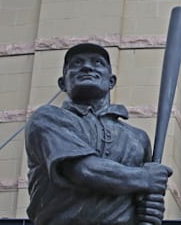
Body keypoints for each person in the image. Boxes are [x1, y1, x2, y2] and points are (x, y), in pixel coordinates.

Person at [25, 43, 173, 225]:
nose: (87, 67)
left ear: (111, 81)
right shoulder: (47, 119)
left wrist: (150, 208)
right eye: (77, 63)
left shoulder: (137, 139)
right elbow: (81, 170)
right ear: (62, 84)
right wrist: (145, 178)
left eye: (97, 62)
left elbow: (143, 199)